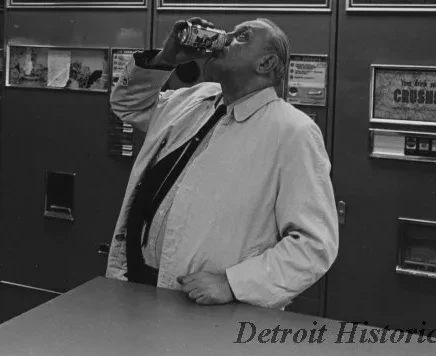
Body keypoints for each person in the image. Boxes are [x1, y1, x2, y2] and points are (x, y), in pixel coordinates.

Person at [106, 17, 338, 309]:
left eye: (242, 36)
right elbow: (127, 105)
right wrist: (165, 60)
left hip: (206, 309)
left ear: (265, 63)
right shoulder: (195, 99)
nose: (225, 38)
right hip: (138, 286)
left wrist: (233, 284)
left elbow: (314, 245)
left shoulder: (293, 131)